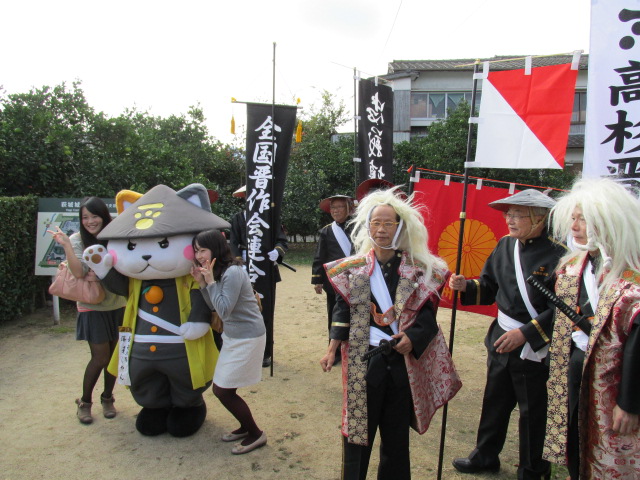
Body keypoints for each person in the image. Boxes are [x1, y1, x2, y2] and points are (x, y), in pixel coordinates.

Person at [319, 187, 459, 480]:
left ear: (400, 227)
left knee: (396, 439)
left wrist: (414, 339)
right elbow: (343, 311)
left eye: (388, 223)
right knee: (357, 433)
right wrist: (332, 346)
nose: (381, 230)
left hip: (400, 361)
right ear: (367, 226)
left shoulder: (420, 269)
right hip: (362, 360)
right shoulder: (354, 268)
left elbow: (428, 317)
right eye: (375, 223)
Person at [449, 189, 566, 480]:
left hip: (535, 345)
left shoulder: (560, 254)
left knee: (533, 411)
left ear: (539, 218)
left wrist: (527, 334)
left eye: (517, 214)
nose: (509, 220)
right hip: (501, 337)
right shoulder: (505, 246)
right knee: (495, 401)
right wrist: (467, 286)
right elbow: (489, 286)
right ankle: (485, 456)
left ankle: (533, 469)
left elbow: (563, 308)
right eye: (508, 214)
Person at [544, 178, 640, 479]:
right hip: (576, 369)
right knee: (577, 442)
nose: (574, 226)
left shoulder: (631, 276)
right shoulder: (575, 267)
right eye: (573, 218)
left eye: (582, 219)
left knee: (613, 452)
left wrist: (630, 402)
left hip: (617, 382)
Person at [48, 197, 126, 425]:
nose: (90, 221)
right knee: (100, 356)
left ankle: (108, 398)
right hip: (91, 306)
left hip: (118, 303)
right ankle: (85, 402)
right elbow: (80, 272)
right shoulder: (76, 239)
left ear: (104, 216)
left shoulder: (115, 237)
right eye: (85, 217)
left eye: (94, 216)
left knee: (113, 357)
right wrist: (66, 247)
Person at [192, 229, 267, 455]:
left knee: (223, 391)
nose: (199, 256)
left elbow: (223, 310)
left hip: (247, 336)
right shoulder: (218, 270)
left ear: (216, 248)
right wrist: (204, 284)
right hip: (234, 335)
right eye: (196, 251)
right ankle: (246, 427)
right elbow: (214, 305)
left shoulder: (233, 271)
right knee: (225, 387)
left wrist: (210, 281)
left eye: (202, 249)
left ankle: (256, 433)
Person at [229, 185, 288, 368]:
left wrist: (277, 252)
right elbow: (233, 243)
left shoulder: (270, 217)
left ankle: (265, 353)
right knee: (243, 311)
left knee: (266, 312)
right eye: (248, 196)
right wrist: (239, 261)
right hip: (245, 269)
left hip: (266, 269)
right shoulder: (238, 218)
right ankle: (245, 352)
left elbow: (281, 240)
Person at [311, 194, 355, 335]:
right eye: (333, 208)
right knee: (334, 314)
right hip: (334, 281)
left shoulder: (358, 227)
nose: (336, 211)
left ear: (348, 208)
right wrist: (317, 280)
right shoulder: (326, 231)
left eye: (340, 207)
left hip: (356, 278)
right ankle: (335, 351)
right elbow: (320, 256)